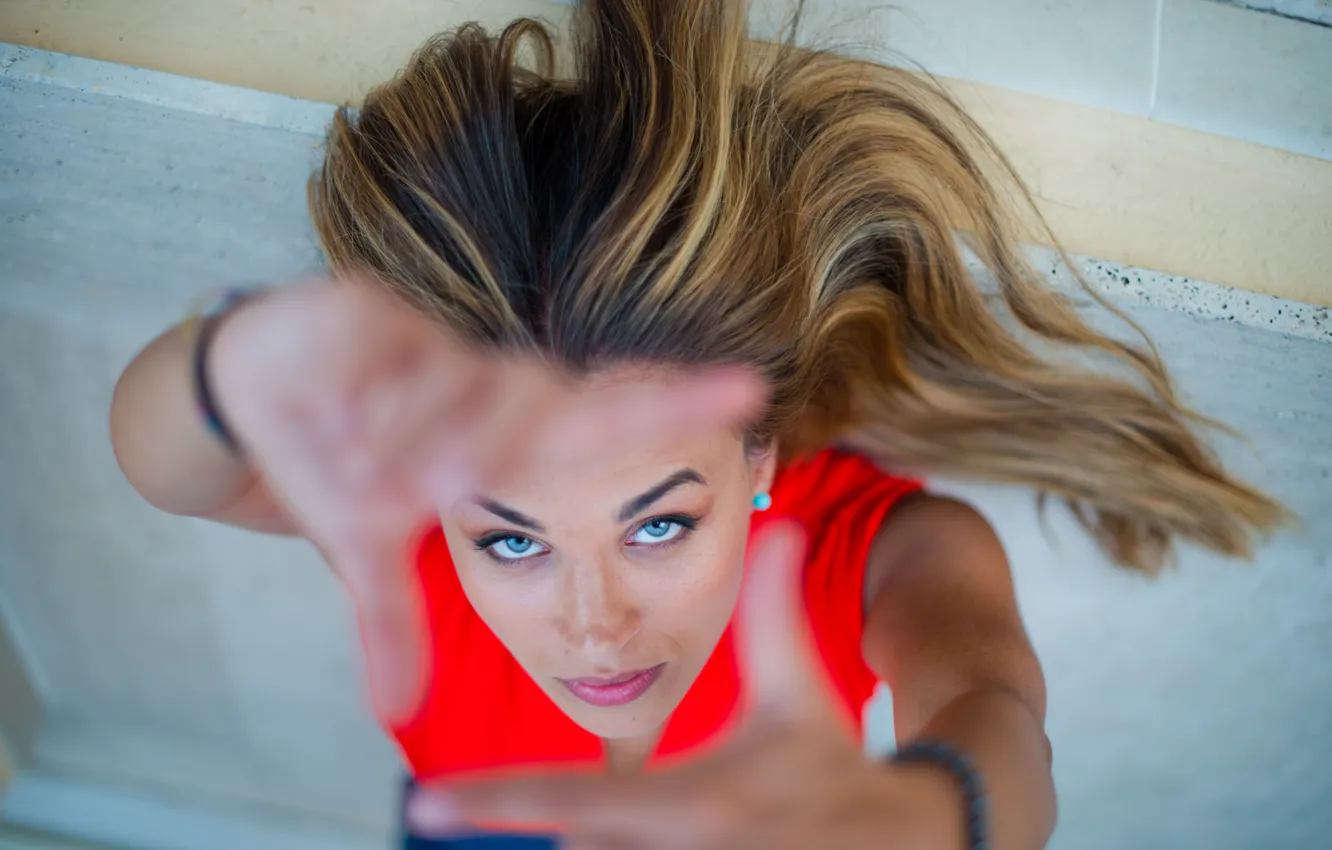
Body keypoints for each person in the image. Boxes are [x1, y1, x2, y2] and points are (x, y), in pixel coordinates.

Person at [108, 1, 1286, 847]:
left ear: (759, 448)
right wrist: (236, 355)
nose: (593, 624)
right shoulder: (410, 520)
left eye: (660, 524)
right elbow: (169, 467)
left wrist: (923, 818)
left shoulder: (885, 554)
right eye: (512, 540)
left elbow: (992, 714)